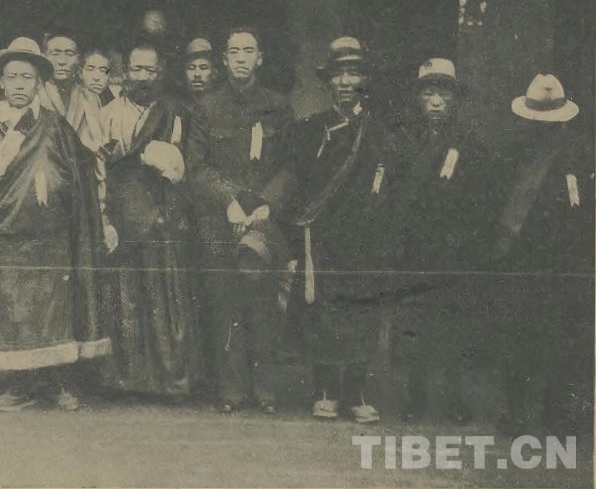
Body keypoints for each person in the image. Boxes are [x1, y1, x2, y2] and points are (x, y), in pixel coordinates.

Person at [0, 37, 110, 412]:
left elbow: (80, 175)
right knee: (16, 314)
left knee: (54, 312)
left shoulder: (56, 127)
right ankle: (21, 383)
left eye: (28, 77)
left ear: (39, 82)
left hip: (52, 237)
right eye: (12, 77)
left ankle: (55, 381)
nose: (20, 85)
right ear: (0, 82)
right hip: (9, 240)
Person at [274, 37, 401, 423]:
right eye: (338, 74)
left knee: (361, 315)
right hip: (323, 238)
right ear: (327, 81)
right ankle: (326, 391)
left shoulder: (381, 134)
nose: (346, 82)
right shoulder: (310, 130)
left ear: (365, 80)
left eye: (353, 73)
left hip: (365, 239)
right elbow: (295, 182)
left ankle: (358, 393)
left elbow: (391, 193)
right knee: (323, 314)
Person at [190, 27, 292, 414]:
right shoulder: (206, 107)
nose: (241, 58)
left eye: (249, 51)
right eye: (234, 51)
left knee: (263, 308)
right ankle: (231, 390)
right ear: (224, 60)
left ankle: (264, 390)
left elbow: (290, 165)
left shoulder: (277, 106)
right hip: (221, 221)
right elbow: (197, 166)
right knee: (225, 305)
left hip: (262, 221)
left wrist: (266, 204)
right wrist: (228, 200)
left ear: (260, 58)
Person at [389, 58, 494, 423]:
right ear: (418, 98)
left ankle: (454, 397)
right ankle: (415, 397)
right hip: (414, 246)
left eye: (443, 94)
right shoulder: (403, 140)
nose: (435, 102)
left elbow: (482, 198)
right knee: (414, 320)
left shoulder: (470, 143)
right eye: (428, 94)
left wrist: (466, 237)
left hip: (454, 246)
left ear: (455, 98)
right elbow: (395, 194)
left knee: (453, 322)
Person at [98, 39, 204, 398]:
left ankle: (171, 381)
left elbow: (187, 167)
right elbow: (99, 169)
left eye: (150, 70)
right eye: (136, 69)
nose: (143, 77)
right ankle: (128, 379)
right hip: (122, 214)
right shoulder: (107, 114)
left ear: (160, 73)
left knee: (165, 299)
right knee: (125, 298)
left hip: (163, 215)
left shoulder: (174, 112)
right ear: (125, 72)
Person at [491, 73, 593, 437]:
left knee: (562, 339)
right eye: (538, 121)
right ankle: (516, 413)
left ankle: (557, 414)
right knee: (517, 338)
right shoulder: (512, 153)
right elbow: (498, 204)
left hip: (564, 261)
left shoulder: (580, 154)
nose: (544, 127)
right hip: (518, 258)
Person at [38, 30, 105, 152]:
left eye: (69, 54)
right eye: (55, 54)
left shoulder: (90, 97)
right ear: (44, 57)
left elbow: (98, 143)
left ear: (79, 59)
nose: (62, 61)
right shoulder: (35, 95)